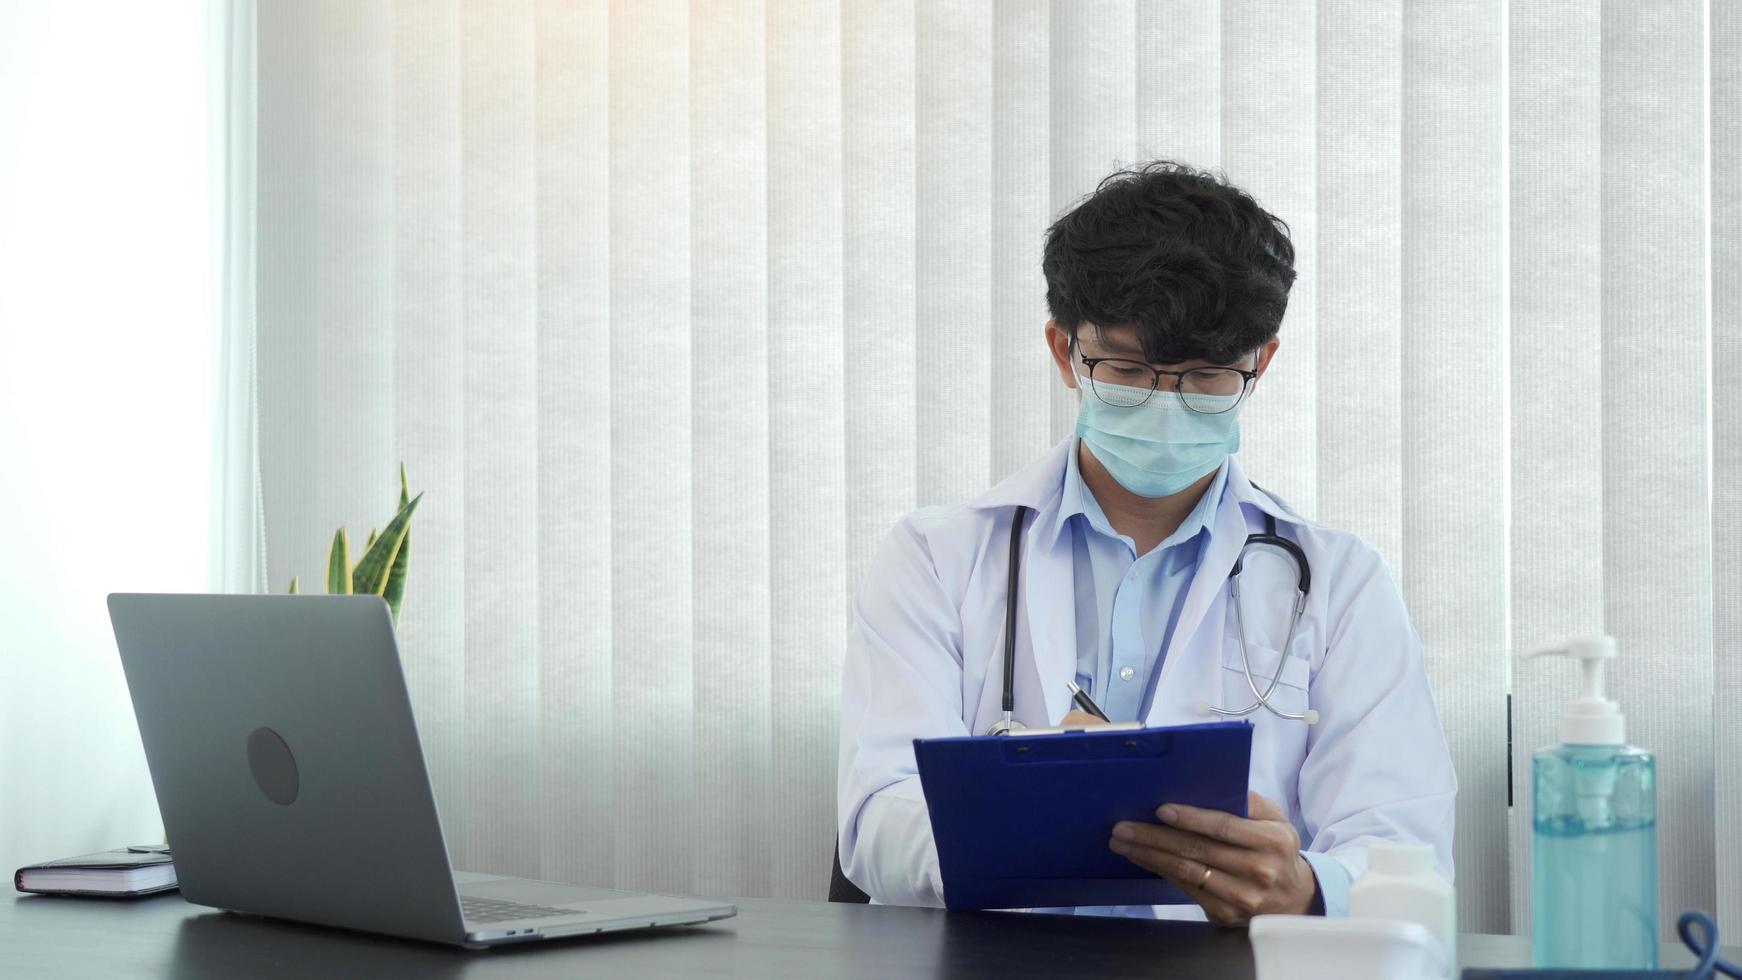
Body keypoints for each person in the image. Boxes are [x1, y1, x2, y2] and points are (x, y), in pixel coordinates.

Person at [835, 160, 1456, 924]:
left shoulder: (1339, 580)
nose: (1165, 406)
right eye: (1128, 371)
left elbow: (1403, 845)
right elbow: (877, 822)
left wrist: (1304, 886)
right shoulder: (935, 557)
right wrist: (1024, 822)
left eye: (1204, 378)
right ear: (1065, 351)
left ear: (1260, 362)